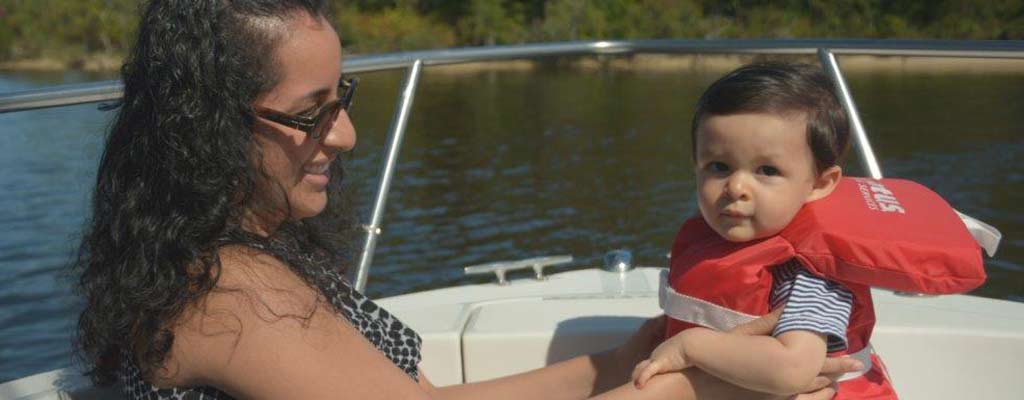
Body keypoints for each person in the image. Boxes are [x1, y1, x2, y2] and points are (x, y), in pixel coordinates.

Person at [71, 2, 862, 399]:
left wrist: (623, 359)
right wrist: (695, 378)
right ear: (203, 128)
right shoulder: (228, 294)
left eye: (341, 98)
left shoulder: (244, 255)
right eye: (311, 115)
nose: (344, 137)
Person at [630, 62, 898, 399]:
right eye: (719, 166)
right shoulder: (713, 242)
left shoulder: (809, 273)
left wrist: (690, 345)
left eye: (767, 170)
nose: (736, 186)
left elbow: (793, 368)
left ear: (819, 183)